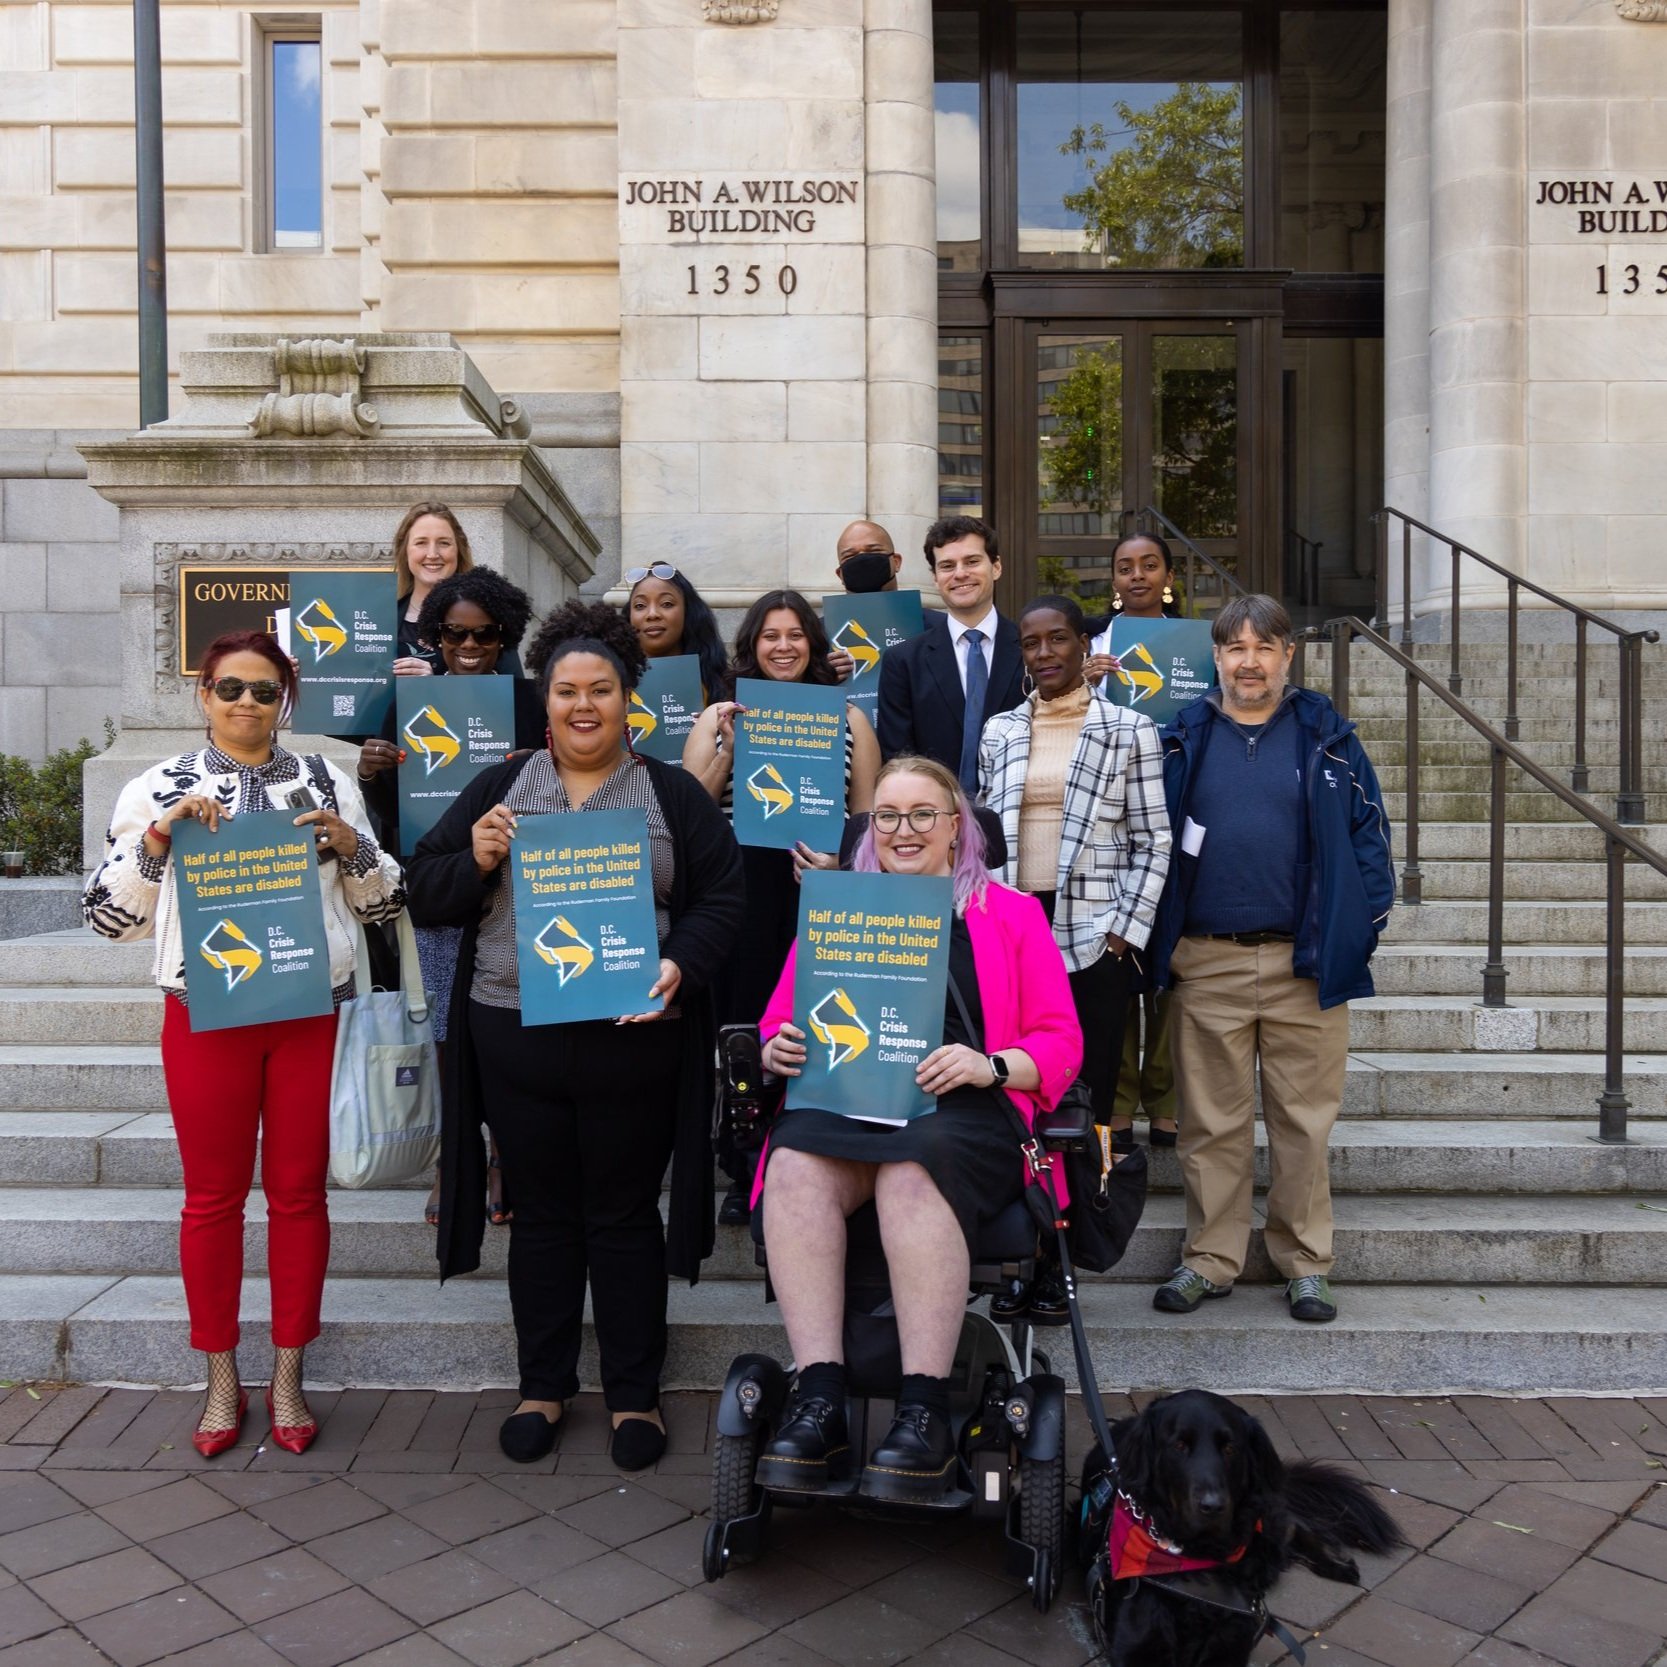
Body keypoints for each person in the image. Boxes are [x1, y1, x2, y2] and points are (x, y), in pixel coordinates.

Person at [406, 602, 744, 1469]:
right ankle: (542, 1386)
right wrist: (474, 858)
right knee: (546, 1217)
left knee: (624, 1216)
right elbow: (426, 887)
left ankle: (635, 1396)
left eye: (601, 689)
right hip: (513, 1032)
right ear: (544, 700)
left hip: (632, 1040)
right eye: (566, 691)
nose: (583, 705)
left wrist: (680, 963)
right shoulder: (497, 787)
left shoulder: (671, 792)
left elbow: (721, 899)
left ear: (630, 698)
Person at [82, 630, 407, 1457]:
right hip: (206, 1013)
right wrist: (158, 841)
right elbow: (108, 919)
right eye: (231, 688)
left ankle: (289, 1373)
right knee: (212, 1199)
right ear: (205, 693)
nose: (247, 704)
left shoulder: (325, 777)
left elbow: (383, 902)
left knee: (299, 1195)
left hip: (307, 1010)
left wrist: (352, 845)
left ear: (284, 698)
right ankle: (221, 1378)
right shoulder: (158, 785)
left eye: (265, 691)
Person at [752, 755, 1082, 1499]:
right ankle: (819, 1397)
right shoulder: (840, 912)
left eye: (921, 814)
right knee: (794, 1159)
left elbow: (1061, 1042)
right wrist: (779, 1045)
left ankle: (924, 1413)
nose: (903, 830)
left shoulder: (1011, 914)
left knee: (912, 1166)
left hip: (960, 1109)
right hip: (848, 1098)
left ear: (955, 825)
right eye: (887, 816)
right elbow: (781, 1017)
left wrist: (989, 1063)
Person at [1147, 594, 1393, 1325]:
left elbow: (1371, 849)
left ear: (1288, 654)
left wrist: (1355, 935)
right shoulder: (1180, 736)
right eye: (1234, 648)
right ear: (1215, 657)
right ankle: (1208, 1258)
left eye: (1263, 646)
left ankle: (1305, 1263)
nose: (1247, 661)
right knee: (1208, 1125)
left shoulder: (1329, 737)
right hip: (1208, 961)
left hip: (1305, 964)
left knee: (1301, 1124)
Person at [977, 595, 1170, 1321]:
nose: (1044, 652)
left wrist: (1124, 931)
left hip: (1095, 939)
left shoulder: (1129, 730)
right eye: (1030, 643)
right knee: (1013, 1102)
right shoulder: (999, 731)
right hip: (1013, 935)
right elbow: (985, 835)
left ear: (1082, 641)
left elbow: (1154, 840)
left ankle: (1061, 1264)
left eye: (1058, 639)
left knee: (1076, 1107)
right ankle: (1016, 1256)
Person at [355, 567, 545, 1227]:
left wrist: (534, 763)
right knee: (443, 1029)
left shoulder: (532, 700)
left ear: (505, 635)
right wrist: (372, 772)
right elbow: (391, 813)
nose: (467, 645)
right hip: (440, 883)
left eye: (484, 634)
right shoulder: (406, 703)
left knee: (507, 1027)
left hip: (515, 888)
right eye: (451, 633)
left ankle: (504, 1155)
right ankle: (450, 1158)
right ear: (434, 634)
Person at [683, 591, 880, 1224]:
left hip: (816, 888)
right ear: (752, 645)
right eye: (771, 635)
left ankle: (803, 1159)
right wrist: (732, 749)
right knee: (742, 1028)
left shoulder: (848, 718)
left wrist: (839, 866)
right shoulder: (720, 713)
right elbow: (691, 807)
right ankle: (742, 1167)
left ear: (815, 646)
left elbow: (869, 824)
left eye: (797, 635)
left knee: (805, 1029)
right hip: (735, 889)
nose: (784, 646)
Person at [1085, 532, 1198, 1151]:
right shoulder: (1094, 647)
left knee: (1175, 970)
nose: (1137, 576)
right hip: (1113, 823)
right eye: (1124, 567)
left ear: (1169, 574)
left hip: (1180, 819)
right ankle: (1121, 1098)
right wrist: (1088, 682)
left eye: (1149, 565)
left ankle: (1168, 1097)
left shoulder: (1200, 650)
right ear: (1113, 579)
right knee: (1117, 962)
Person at [876, 516, 1025, 790]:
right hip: (935, 819)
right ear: (935, 578)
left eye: (972, 561)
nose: (960, 574)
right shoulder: (903, 662)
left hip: (1018, 813)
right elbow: (899, 760)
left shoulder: (1031, 652)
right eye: (947, 566)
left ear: (996, 567)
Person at [625, 562, 731, 703]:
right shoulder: (612, 681)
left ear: (688, 612)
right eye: (640, 606)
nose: (652, 614)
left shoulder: (726, 689)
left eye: (667, 604)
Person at [392, 502, 474, 676]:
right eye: (421, 542)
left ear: (458, 550)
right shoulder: (382, 620)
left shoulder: (485, 622)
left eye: (444, 543)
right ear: (405, 551)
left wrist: (434, 686)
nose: (432, 554)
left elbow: (509, 695)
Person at [828, 520, 904, 683]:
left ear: (896, 561)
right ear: (840, 574)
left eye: (873, 551)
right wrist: (821, 676)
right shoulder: (818, 636)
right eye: (850, 556)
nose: (862, 560)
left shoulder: (937, 628)